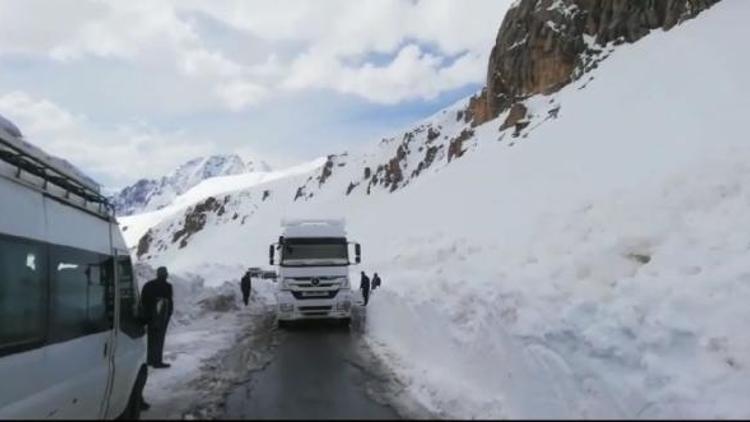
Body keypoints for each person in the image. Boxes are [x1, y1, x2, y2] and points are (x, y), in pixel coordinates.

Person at [140, 266, 174, 369]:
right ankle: (157, 361)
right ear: (165, 275)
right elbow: (169, 303)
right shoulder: (167, 286)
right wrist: (168, 314)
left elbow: (143, 300)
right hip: (161, 317)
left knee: (151, 339)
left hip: (149, 317)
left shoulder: (148, 285)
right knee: (159, 339)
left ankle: (150, 360)